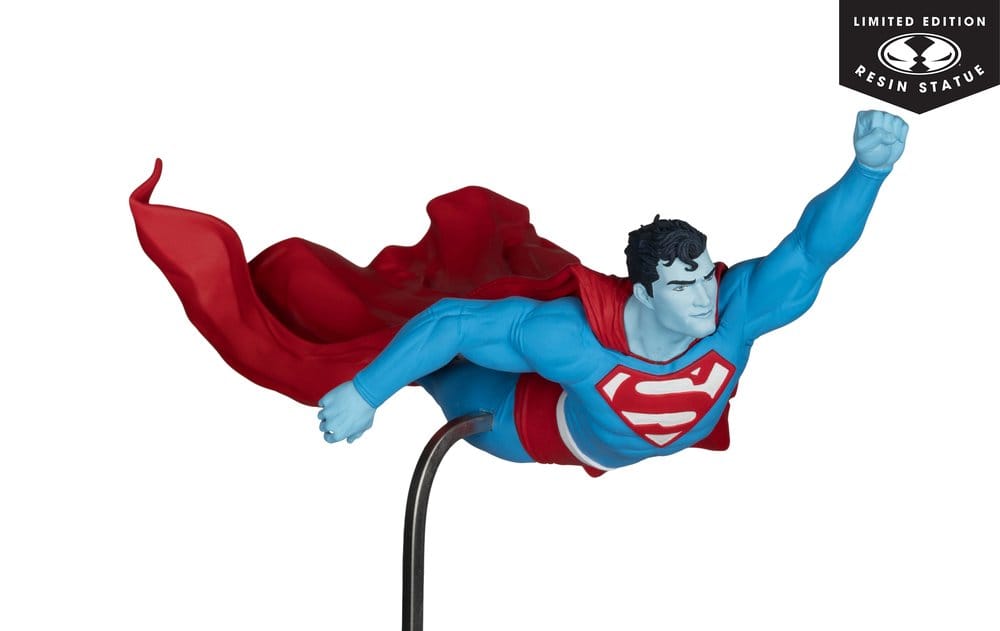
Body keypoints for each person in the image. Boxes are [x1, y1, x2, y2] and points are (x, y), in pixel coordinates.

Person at [315, 110, 907, 474]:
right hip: (535, 428)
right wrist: (367, 391)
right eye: (682, 285)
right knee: (440, 367)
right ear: (644, 294)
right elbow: (454, 323)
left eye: (705, 275)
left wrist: (867, 172)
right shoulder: (575, 339)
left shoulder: (735, 316)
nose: (704, 296)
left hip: (627, 434)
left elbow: (809, 251)